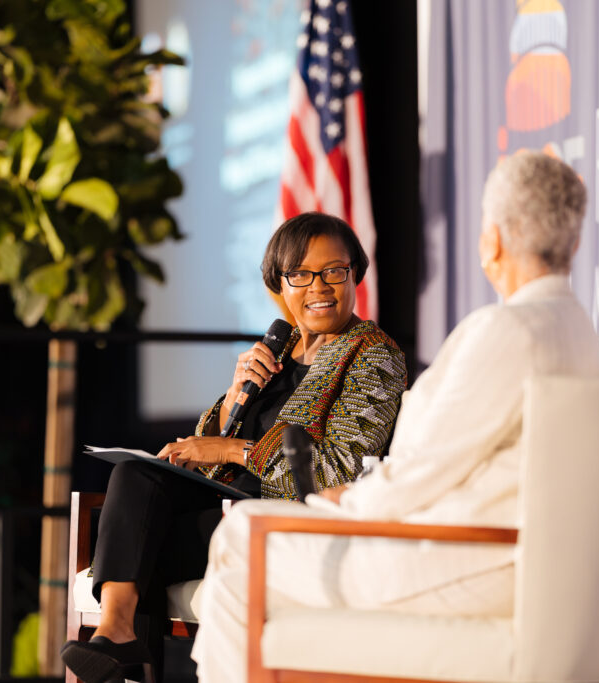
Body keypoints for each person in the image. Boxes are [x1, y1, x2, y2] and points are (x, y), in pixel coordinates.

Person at [191, 151, 599, 683]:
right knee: (250, 533)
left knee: (244, 536)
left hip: (469, 560)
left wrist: (345, 501)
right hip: (521, 558)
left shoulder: (505, 332)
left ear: (493, 241)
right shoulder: (580, 332)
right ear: (573, 242)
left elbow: (421, 473)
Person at [60, 212, 407, 683]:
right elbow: (204, 445)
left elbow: (337, 471)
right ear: (279, 284)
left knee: (138, 540)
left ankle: (120, 643)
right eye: (301, 275)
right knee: (134, 476)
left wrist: (234, 449)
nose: (320, 287)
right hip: (224, 503)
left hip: (283, 514)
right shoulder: (276, 354)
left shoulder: (373, 354)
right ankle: (117, 629)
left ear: (355, 275)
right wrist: (233, 401)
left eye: (334, 272)